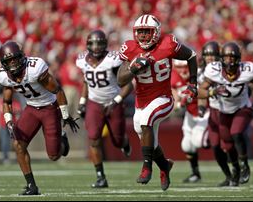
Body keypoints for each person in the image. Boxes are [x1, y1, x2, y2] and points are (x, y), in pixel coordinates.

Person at [117, 14, 198, 191]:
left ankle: (147, 167)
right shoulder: (130, 48)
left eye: (147, 31)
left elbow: (191, 55)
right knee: (148, 140)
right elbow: (120, 80)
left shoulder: (168, 43)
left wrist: (193, 83)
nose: (143, 36)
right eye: (140, 32)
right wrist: (133, 68)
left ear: (156, 32)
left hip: (163, 98)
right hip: (141, 101)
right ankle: (164, 166)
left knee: (146, 121)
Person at [0, 40, 79, 195]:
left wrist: (65, 115)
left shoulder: (34, 69)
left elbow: (58, 90)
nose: (13, 63)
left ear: (21, 56)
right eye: (9, 61)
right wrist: (9, 122)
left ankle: (62, 138)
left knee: (54, 155)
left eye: (15, 58)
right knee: (18, 145)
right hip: (31, 108)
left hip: (50, 107)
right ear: (4, 63)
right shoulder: (4, 76)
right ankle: (31, 186)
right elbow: (7, 101)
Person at [198, 41, 253, 186]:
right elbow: (200, 92)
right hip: (223, 111)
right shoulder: (213, 71)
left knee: (236, 132)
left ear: (238, 59)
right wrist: (212, 91)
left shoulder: (247, 70)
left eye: (232, 58)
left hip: (242, 107)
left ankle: (244, 164)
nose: (229, 61)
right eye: (226, 58)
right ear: (221, 59)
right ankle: (236, 169)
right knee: (227, 144)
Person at [76, 30, 133, 188]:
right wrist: (82, 101)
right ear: (87, 45)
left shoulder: (113, 59)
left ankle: (124, 142)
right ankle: (100, 176)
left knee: (117, 141)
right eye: (93, 43)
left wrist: (116, 101)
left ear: (105, 44)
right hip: (94, 103)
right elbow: (87, 82)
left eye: (100, 43)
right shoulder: (82, 60)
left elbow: (128, 84)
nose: (96, 47)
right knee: (93, 138)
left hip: (113, 102)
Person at [171, 59, 210, 183]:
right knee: (187, 146)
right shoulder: (172, 76)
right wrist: (177, 103)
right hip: (190, 114)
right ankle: (195, 173)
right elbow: (174, 93)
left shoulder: (199, 75)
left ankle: (217, 137)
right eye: (179, 67)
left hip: (204, 112)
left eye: (185, 67)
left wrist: (186, 99)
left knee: (198, 142)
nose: (182, 70)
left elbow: (204, 93)